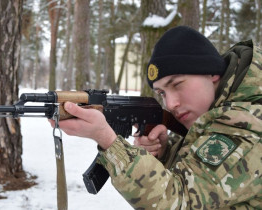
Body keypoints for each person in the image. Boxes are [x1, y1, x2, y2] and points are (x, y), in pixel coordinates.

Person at [50, 26, 262, 209]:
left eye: (177, 84)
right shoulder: (217, 114)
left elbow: (179, 201)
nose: (170, 104)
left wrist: (108, 140)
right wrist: (168, 152)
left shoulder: (247, 126)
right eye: (162, 93)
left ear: (212, 73)